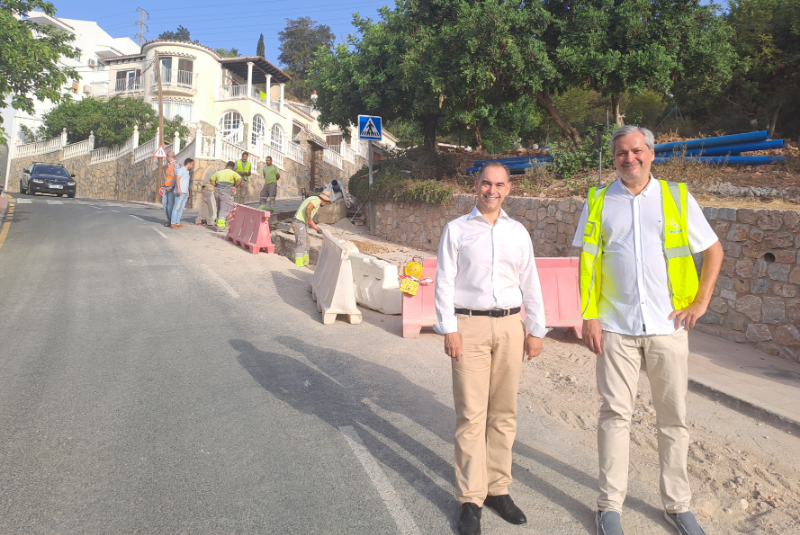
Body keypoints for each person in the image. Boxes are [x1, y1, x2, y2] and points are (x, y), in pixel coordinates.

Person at [572, 126, 723, 535]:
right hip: (615, 327)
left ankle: (677, 505)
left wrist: (701, 302)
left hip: (666, 328)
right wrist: (588, 316)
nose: (629, 158)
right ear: (614, 157)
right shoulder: (599, 201)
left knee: (673, 419)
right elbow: (587, 265)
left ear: (651, 154)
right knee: (614, 416)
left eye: (636, 151)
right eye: (621, 152)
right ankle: (609, 508)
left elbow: (713, 250)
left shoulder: (676, 197)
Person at [434, 162, 547, 535]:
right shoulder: (458, 230)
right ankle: (470, 498)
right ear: (476, 186)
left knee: (504, 412)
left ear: (509, 189)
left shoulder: (518, 233)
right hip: (469, 325)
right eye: (486, 183)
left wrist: (536, 330)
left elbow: (530, 280)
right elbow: (444, 281)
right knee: (471, 414)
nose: (492, 191)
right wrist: (449, 328)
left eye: (499, 184)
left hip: (512, 327)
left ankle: (498, 488)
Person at [292, 191, 330, 266]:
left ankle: (305, 263)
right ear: (323, 200)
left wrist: (317, 228)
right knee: (301, 243)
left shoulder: (314, 199)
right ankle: (298, 264)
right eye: (326, 202)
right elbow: (309, 208)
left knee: (307, 243)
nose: (326, 204)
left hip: (301, 223)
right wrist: (310, 220)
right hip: (299, 223)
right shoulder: (317, 200)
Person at [209, 161, 242, 232]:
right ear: (233, 168)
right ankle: (221, 227)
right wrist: (235, 187)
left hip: (217, 192)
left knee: (219, 208)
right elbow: (239, 180)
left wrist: (216, 186)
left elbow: (211, 179)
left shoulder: (219, 172)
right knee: (225, 209)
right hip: (226, 193)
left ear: (226, 166)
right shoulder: (233, 173)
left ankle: (218, 224)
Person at [170, 158, 194, 229]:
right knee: (176, 207)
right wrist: (179, 189)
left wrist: (187, 191)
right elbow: (177, 179)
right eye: (192, 164)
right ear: (188, 163)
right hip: (180, 192)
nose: (192, 166)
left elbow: (185, 182)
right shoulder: (181, 170)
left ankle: (177, 222)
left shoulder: (187, 171)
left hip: (185, 192)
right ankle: (173, 223)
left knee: (181, 208)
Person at [162, 151, 180, 226]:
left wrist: (171, 187)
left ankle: (171, 220)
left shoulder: (176, 165)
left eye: (166, 157)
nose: (166, 158)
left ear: (169, 156)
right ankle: (170, 219)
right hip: (166, 186)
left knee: (170, 205)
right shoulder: (169, 165)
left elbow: (176, 177)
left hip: (170, 188)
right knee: (164, 203)